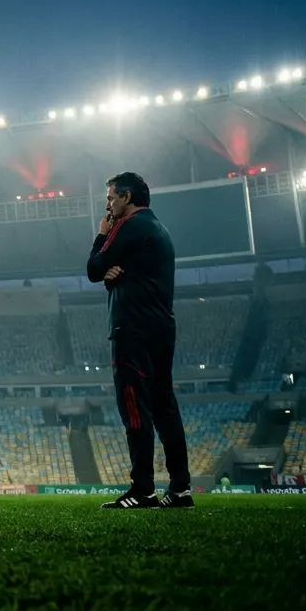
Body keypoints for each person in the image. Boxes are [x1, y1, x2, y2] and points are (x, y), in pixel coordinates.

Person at [87, 172, 192, 510]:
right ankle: (180, 488)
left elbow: (93, 267)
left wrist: (100, 239)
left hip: (132, 328)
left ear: (127, 197)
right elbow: (113, 272)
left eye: (111, 198)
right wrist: (113, 276)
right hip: (161, 326)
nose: (107, 205)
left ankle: (142, 488)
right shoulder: (158, 229)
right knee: (164, 406)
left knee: (134, 405)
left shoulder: (127, 226)